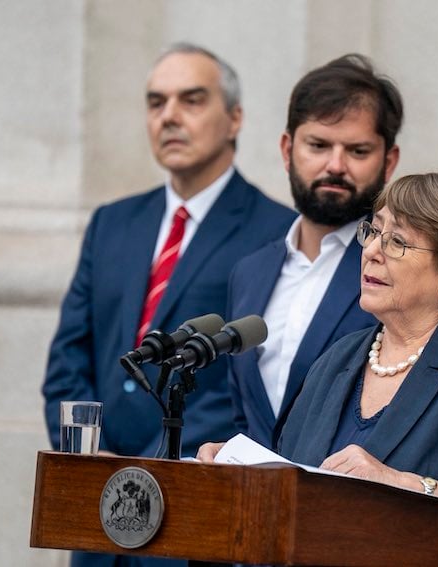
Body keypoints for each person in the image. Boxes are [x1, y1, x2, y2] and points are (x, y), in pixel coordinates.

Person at [202, 172, 438, 566]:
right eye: (373, 232)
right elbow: (299, 486)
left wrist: (401, 486)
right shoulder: (336, 360)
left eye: (397, 241)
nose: (372, 251)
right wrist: (244, 470)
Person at [42, 43, 294, 566]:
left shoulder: (275, 232)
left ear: (235, 118)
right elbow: (69, 362)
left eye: (192, 100)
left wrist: (161, 471)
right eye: (156, 103)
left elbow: (252, 381)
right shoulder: (112, 223)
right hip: (98, 511)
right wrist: (93, 463)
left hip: (192, 514)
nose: (170, 116)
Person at [228, 54, 438, 449]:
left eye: (358, 151)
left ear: (389, 161)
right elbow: (242, 414)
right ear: (286, 149)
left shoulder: (415, 272)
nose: (336, 165)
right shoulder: (249, 272)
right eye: (318, 145)